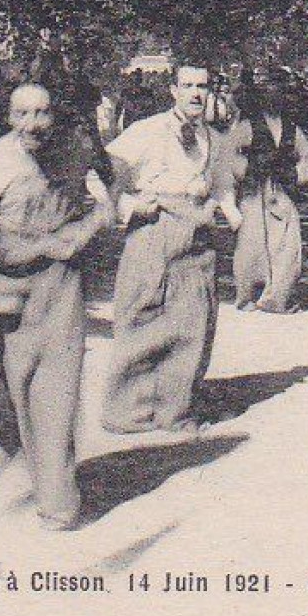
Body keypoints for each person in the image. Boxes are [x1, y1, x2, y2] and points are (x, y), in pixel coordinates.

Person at [0, 83, 112, 530]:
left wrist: (83, 232)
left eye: (42, 113)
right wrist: (17, 253)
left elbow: (95, 207)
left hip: (56, 288)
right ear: (10, 118)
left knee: (53, 395)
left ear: (54, 116)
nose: (34, 124)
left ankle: (57, 503)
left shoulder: (74, 153)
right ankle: (18, 443)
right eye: (24, 114)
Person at [101, 58, 241, 436]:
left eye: (203, 86)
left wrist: (232, 214)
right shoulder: (147, 131)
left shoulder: (217, 138)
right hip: (155, 229)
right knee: (144, 314)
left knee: (196, 318)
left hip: (198, 231)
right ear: (174, 91)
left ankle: (176, 410)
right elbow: (102, 174)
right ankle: (129, 411)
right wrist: (127, 206)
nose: (196, 93)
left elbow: (223, 183)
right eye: (189, 86)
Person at [225, 68, 308, 313]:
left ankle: (277, 298)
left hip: (282, 191)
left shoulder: (292, 129)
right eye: (268, 92)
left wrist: (297, 174)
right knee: (251, 243)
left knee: (288, 242)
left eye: (279, 92)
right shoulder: (248, 125)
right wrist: (245, 169)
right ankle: (247, 295)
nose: (274, 97)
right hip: (252, 190)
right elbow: (226, 153)